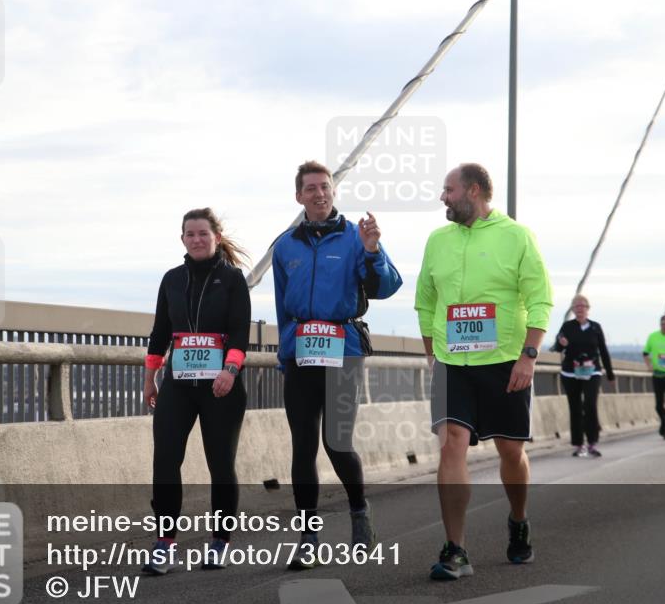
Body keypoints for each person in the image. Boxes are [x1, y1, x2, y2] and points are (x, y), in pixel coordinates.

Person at [416, 163, 552, 580]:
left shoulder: (516, 236)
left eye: (449, 190)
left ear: (473, 191)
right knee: (451, 444)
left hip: (505, 363)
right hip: (453, 363)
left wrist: (528, 356)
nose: (443, 197)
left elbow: (541, 298)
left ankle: (519, 518)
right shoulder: (437, 240)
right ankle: (456, 548)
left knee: (510, 451)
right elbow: (425, 300)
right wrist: (431, 355)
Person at [272, 160, 402, 569]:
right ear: (299, 196)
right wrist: (284, 353)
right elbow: (281, 308)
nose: (319, 194)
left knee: (337, 441)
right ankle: (307, 536)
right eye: (310, 188)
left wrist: (372, 250)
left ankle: (360, 513)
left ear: (333, 192)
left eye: (325, 187)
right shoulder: (285, 245)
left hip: (342, 349)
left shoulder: (355, 236)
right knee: (303, 446)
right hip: (301, 353)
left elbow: (385, 287)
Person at [142, 208, 252, 575]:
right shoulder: (172, 279)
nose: (197, 239)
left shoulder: (232, 279)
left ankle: (220, 541)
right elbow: (159, 333)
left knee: (220, 465)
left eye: (203, 233)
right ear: (183, 239)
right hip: (179, 384)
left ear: (216, 237)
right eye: (190, 234)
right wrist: (150, 376)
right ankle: (165, 542)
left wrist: (230, 370)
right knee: (165, 459)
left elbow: (239, 332)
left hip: (220, 386)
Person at [550, 294, 615, 457]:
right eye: (576, 306)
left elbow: (603, 351)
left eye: (582, 306)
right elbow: (557, 347)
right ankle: (579, 445)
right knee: (575, 408)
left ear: (588, 309)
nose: (579, 309)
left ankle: (592, 443)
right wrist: (561, 343)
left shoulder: (595, 327)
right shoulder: (567, 326)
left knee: (590, 405)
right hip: (570, 372)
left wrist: (610, 373)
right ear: (572, 309)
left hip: (592, 371)